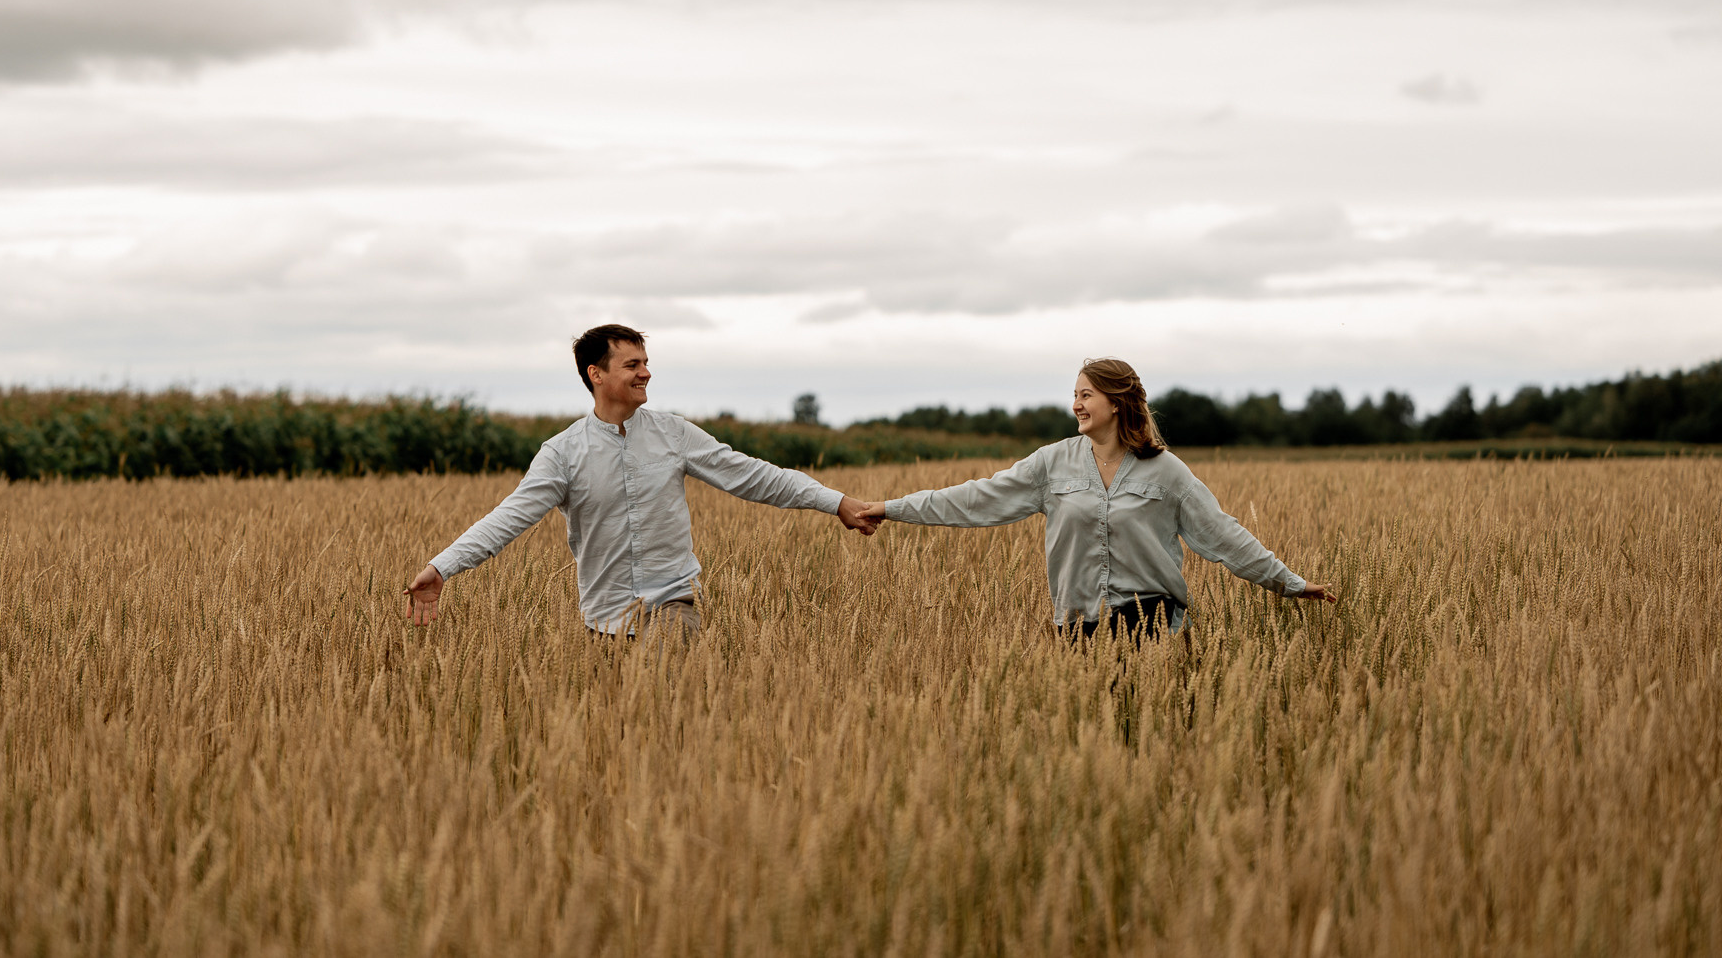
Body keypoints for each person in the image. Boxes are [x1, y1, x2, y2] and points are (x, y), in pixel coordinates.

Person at [403, 324, 879, 637]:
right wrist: (443, 567)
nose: (645, 372)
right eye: (632, 365)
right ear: (596, 374)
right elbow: (509, 518)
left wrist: (831, 500)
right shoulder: (562, 454)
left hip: (672, 606)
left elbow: (751, 476)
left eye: (645, 362)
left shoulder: (674, 434)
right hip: (602, 620)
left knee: (667, 714)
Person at [858, 358, 1335, 640]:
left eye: (1086, 394)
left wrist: (1288, 582)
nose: (1076, 405)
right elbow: (975, 499)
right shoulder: (1052, 463)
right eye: (1074, 395)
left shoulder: (1166, 472)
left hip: (1151, 622)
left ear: (1116, 402)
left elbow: (1224, 536)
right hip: (1077, 625)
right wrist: (893, 507)